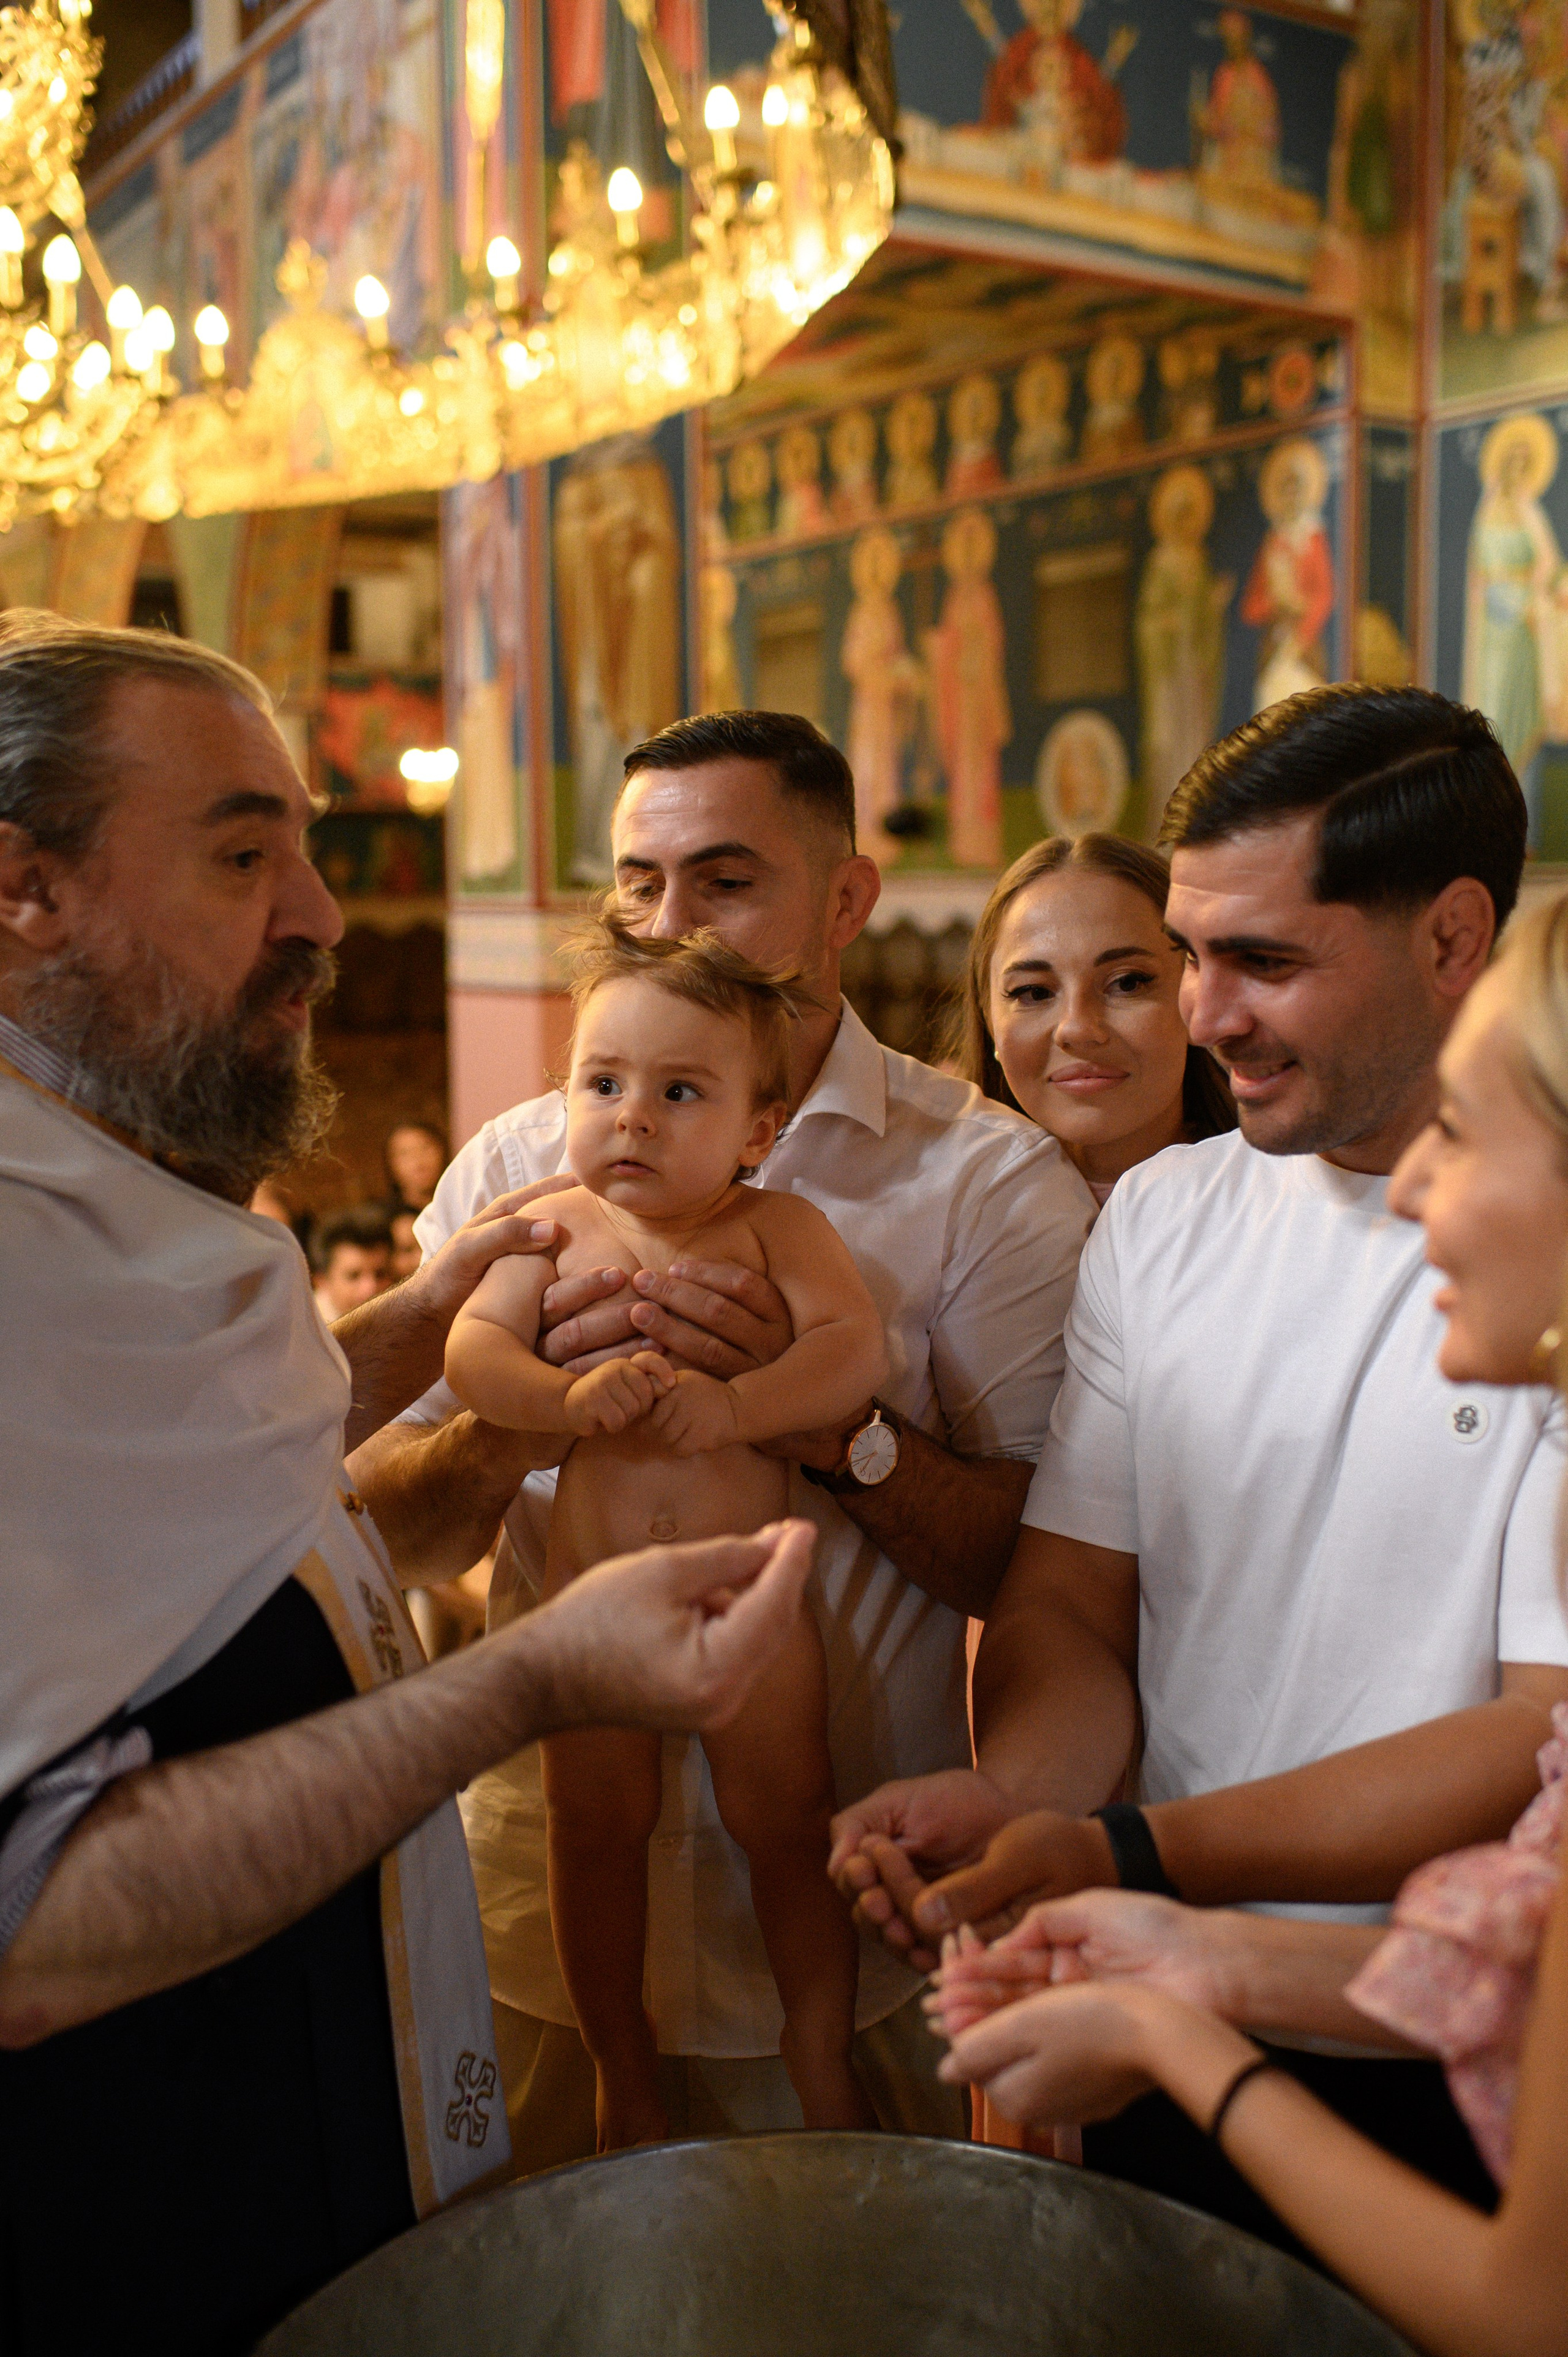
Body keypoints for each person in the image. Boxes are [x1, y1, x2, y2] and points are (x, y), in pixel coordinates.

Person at [0, 612, 818, 2357]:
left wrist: (454, 1374)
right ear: (24, 892)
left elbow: (223, 1533)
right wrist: (527, 1680)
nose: (321, 912)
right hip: (130, 2213)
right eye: (244, 855)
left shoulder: (103, 1176)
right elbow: (33, 1918)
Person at [832, 684, 1568, 2240]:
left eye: (1264, 960)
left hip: (1451, 2022)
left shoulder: (1536, 1255)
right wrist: (1011, 1803)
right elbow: (1070, 1610)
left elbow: (1530, 1730)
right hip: (1153, 1985)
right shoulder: (1164, 1218)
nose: (1203, 1011)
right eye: (1190, 952)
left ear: (1450, 939)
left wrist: (1119, 1847)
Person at [353, 708, 1095, 2171]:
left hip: (858, 1900)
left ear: (845, 900)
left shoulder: (986, 1181)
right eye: (636, 883)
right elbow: (387, 1529)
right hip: (539, 1920)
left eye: (722, 878)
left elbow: (1036, 1569)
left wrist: (832, 1432)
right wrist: (531, 1419)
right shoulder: (522, 1166)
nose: (668, 921)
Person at [446, 918, 886, 2147]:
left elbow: (853, 1347)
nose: (630, 1117)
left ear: (754, 1130)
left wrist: (739, 1405)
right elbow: (470, 1352)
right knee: (593, 1830)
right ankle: (618, 2057)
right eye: (603, 1083)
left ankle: (815, 2033)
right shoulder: (547, 1223)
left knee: (786, 1823)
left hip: (750, 1596)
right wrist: (561, 1399)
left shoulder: (776, 1225)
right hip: (587, 1607)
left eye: (678, 1091)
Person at [941, 832, 1235, 1207]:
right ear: (988, 1019)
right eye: (1034, 992)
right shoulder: (939, 1206)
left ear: (1199, 996)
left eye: (1127, 983)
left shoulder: (1279, 1202)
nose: (1077, 1028)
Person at [311, 1202, 394, 1317]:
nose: (370, 1290)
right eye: (354, 1276)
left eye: (380, 1274)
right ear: (322, 1282)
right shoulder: (301, 1331)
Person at [383, 1118, 447, 1213]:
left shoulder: (462, 1208)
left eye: (425, 1148)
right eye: (405, 1153)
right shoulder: (380, 1221)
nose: (418, 1161)